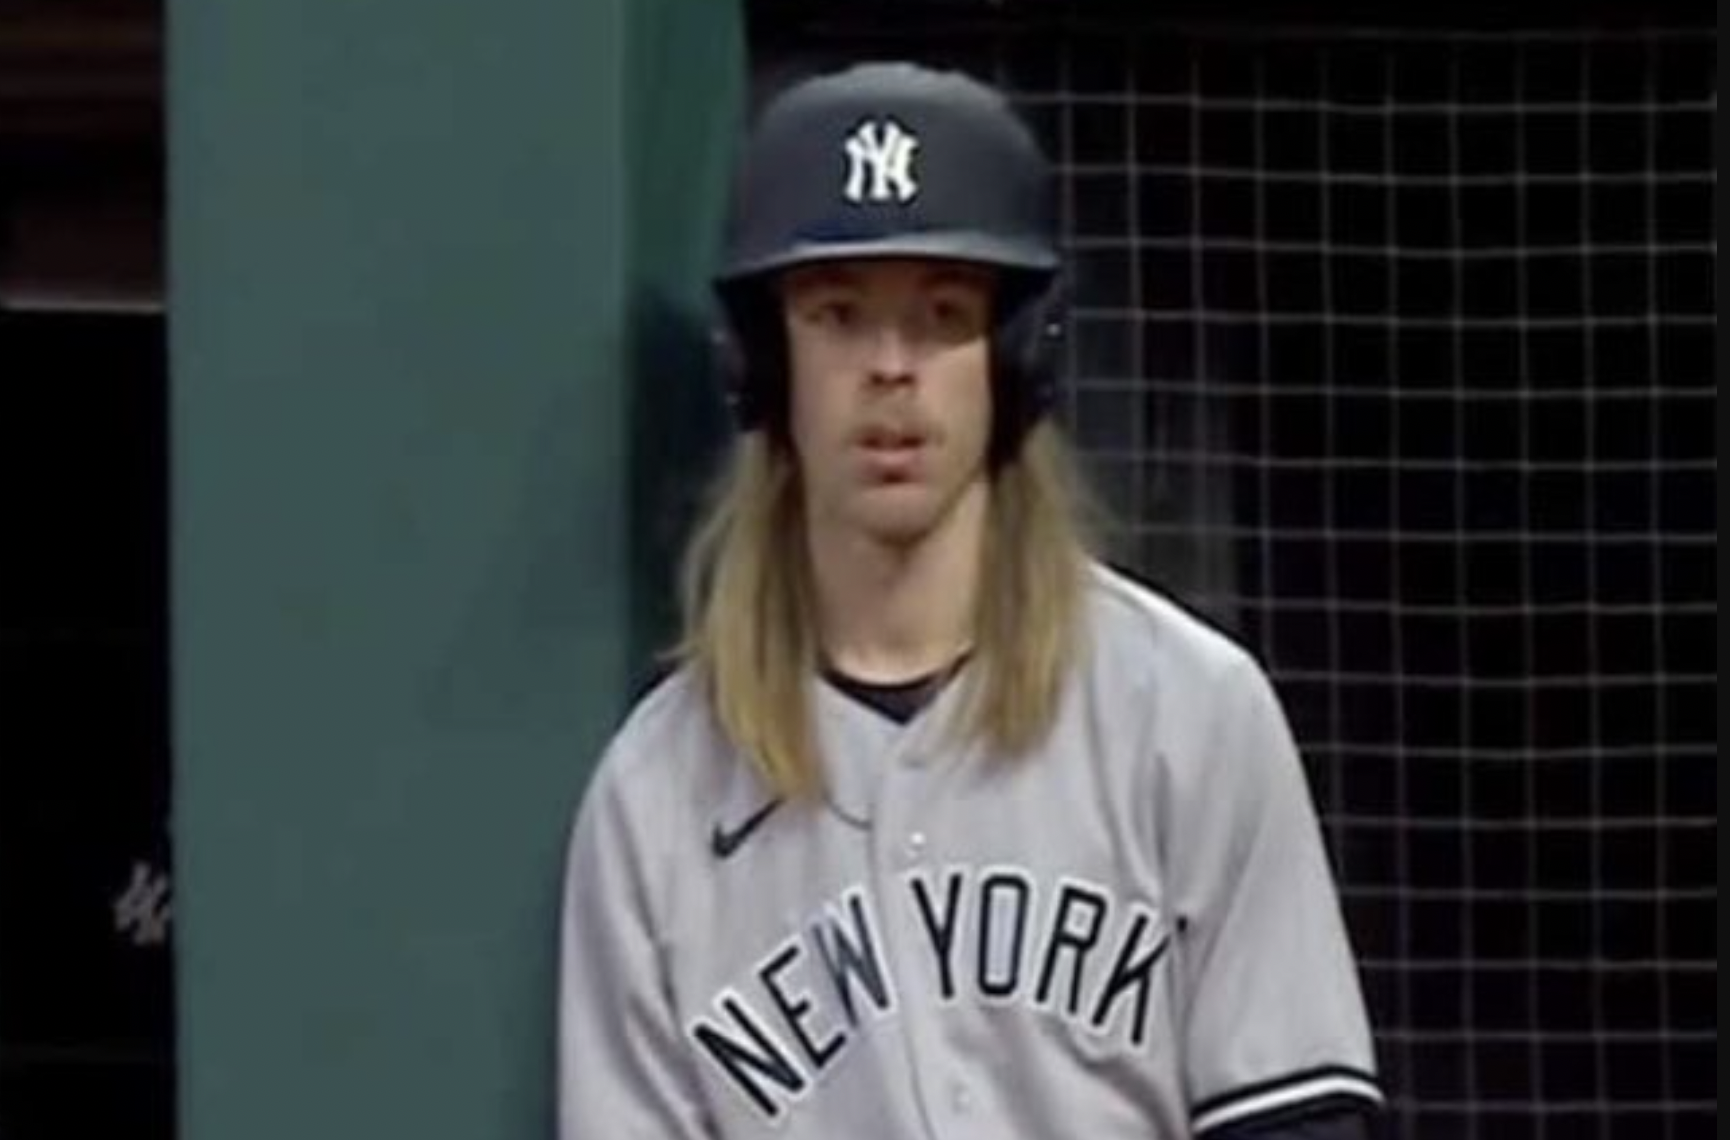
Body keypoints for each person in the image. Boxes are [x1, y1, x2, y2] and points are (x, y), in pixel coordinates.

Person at [559, 60, 1383, 1139]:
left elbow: (1292, 1121)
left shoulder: (1184, 714)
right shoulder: (656, 799)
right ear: (764, 362)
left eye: (942, 314)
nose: (890, 368)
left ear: (1013, 355)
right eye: (838, 314)